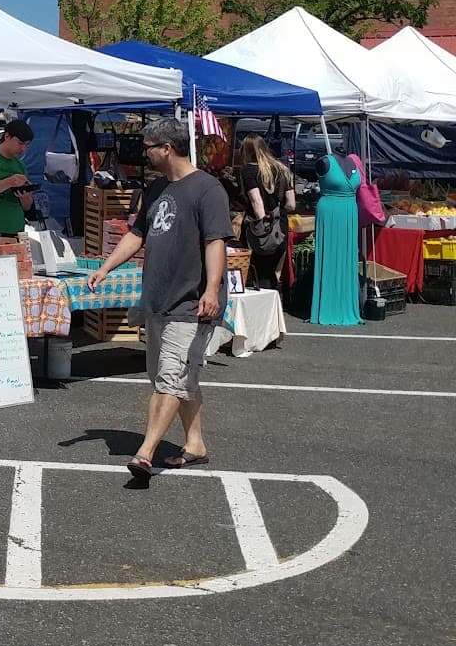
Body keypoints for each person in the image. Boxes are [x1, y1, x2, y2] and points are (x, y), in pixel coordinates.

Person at [87, 116, 232, 481]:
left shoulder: (208, 189)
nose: (144, 153)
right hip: (158, 298)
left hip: (191, 301)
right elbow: (138, 234)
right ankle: (195, 443)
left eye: (149, 147)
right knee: (174, 379)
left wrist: (212, 289)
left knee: (170, 379)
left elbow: (216, 242)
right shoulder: (156, 189)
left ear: (167, 148)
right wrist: (106, 268)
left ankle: (145, 452)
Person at [238, 134, 296, 290]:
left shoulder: (248, 170)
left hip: (260, 230)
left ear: (247, 151)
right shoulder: (282, 169)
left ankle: (262, 311)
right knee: (271, 273)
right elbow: (291, 204)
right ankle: (274, 309)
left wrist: (263, 225)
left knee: (259, 272)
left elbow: (257, 202)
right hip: (281, 228)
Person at [310, 152, 362, 325]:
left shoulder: (353, 161)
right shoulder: (323, 161)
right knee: (330, 258)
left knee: (348, 259)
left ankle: (346, 304)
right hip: (331, 212)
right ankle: (328, 305)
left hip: (349, 213)